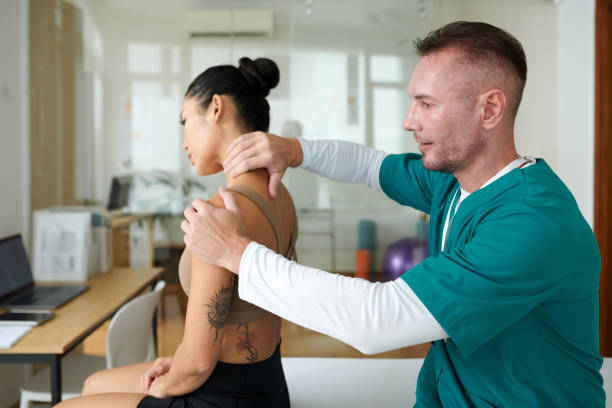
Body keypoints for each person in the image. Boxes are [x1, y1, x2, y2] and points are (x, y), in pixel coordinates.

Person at [180, 21, 605, 407]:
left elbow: (378, 319)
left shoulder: (533, 223)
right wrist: (293, 150)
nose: (408, 121)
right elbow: (369, 165)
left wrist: (237, 253)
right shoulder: (453, 181)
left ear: (490, 109)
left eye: (426, 104)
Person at [56, 57, 296, 408]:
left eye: (185, 121)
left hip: (223, 397)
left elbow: (198, 364)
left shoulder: (217, 215)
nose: (184, 142)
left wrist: (165, 386)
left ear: (216, 108)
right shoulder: (280, 196)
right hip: (267, 385)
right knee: (94, 384)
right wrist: (178, 363)